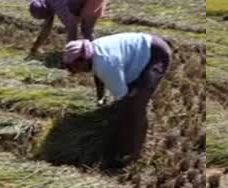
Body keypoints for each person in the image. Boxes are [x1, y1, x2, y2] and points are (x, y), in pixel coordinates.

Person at [63, 32, 171, 162]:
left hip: (154, 55)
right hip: (138, 52)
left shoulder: (106, 65)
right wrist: (100, 99)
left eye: (71, 66)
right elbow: (97, 75)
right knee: (129, 102)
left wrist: (115, 121)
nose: (70, 71)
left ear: (83, 60)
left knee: (136, 107)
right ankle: (126, 140)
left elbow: (123, 99)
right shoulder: (93, 53)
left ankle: (134, 153)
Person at [28, 0, 109, 54]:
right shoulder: (49, 2)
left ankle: (93, 54)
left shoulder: (57, 2)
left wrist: (70, 52)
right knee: (87, 29)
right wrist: (35, 48)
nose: (47, 18)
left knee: (86, 29)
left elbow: (72, 27)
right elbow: (46, 29)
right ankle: (94, 53)